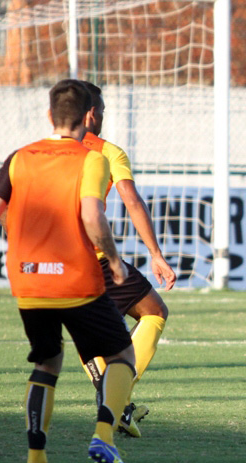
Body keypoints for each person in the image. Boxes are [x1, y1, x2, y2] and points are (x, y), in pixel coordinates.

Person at [0, 79, 137, 463]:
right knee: (122, 354)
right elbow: (93, 217)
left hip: (28, 285)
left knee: (47, 362)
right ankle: (104, 436)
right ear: (88, 117)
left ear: (49, 116)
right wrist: (114, 260)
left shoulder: (19, 158)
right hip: (76, 282)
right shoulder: (91, 159)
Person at [78, 81, 177, 438]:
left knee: (87, 331)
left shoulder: (38, 152)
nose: (103, 117)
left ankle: (117, 402)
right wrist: (156, 254)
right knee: (155, 311)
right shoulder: (107, 152)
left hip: (52, 262)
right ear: (91, 114)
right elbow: (132, 201)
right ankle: (117, 400)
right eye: (101, 111)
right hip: (96, 258)